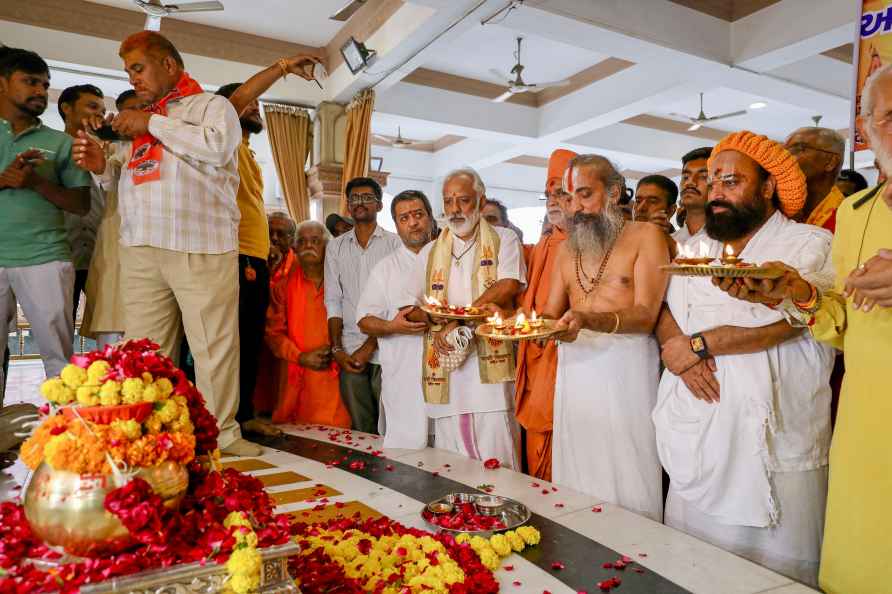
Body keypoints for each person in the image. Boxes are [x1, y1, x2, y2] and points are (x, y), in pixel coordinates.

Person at [720, 66, 892, 593]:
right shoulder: (859, 213)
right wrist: (797, 293)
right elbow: (841, 324)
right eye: (889, 117)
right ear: (867, 128)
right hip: (866, 428)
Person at [653, 131, 834, 587]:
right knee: (690, 569)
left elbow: (798, 322)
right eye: (714, 183)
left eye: (731, 182)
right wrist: (679, 350)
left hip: (775, 441)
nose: (716, 193)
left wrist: (703, 344)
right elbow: (663, 308)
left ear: (768, 187)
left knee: (774, 576)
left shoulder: (807, 244)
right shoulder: (696, 250)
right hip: (699, 428)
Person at [71, 32, 252, 456]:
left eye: (138, 67)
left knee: (213, 347)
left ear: (169, 65)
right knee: (146, 351)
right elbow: (128, 176)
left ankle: (221, 435)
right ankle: (154, 435)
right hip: (141, 247)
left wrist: (151, 123)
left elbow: (217, 146)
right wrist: (102, 168)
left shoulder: (211, 107)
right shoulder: (137, 120)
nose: (133, 79)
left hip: (199, 244)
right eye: (128, 72)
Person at [541, 155, 668, 521]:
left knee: (628, 464)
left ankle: (637, 551)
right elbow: (551, 313)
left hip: (625, 368)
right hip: (575, 367)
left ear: (613, 192)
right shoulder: (566, 249)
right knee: (580, 460)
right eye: (568, 197)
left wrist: (586, 320)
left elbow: (646, 315)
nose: (575, 207)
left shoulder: (646, 236)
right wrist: (522, 327)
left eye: (584, 194)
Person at [213, 56, 317, 437]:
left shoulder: (246, 151)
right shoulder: (223, 142)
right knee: (232, 341)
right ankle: (227, 422)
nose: (255, 110)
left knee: (248, 339)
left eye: (257, 106)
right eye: (250, 106)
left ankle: (242, 416)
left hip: (252, 259)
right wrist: (283, 67)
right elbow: (236, 101)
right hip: (235, 257)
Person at [402, 168, 524, 467]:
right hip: (447, 365)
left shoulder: (503, 239)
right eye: (448, 201)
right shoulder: (430, 251)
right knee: (453, 460)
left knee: (499, 453)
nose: (455, 209)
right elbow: (412, 305)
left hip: (490, 373)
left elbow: (508, 284)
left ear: (481, 202)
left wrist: (458, 320)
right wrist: (432, 320)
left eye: (464, 200)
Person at [0, 49, 91, 405]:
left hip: (46, 258)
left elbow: (80, 205)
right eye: (31, 82)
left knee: (59, 359)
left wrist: (35, 182)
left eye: (45, 85)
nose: (41, 90)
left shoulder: (62, 143)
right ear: (3, 84)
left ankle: (68, 439)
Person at [514, 148, 575, 481]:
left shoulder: (586, 244)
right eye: (549, 193)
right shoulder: (544, 245)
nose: (553, 200)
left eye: (561, 192)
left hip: (567, 360)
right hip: (536, 357)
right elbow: (531, 305)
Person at [357, 190, 435, 449]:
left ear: (430, 217)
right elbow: (364, 320)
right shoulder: (386, 268)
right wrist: (393, 326)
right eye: (404, 218)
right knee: (406, 462)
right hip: (404, 382)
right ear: (396, 226)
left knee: (451, 462)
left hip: (451, 379)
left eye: (418, 214)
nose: (413, 222)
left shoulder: (450, 258)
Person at [325, 177, 401, 433]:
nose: (360, 203)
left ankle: (390, 473)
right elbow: (333, 300)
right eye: (354, 198)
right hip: (349, 348)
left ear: (379, 205)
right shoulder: (335, 247)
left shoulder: (395, 244)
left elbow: (396, 305)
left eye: (367, 198)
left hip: (387, 347)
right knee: (360, 427)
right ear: (347, 205)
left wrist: (370, 347)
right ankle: (364, 473)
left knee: (389, 424)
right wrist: (337, 349)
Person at [265, 221, 351, 427]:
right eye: (302, 241)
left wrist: (338, 349)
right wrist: (301, 357)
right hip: (297, 378)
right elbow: (273, 334)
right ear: (294, 248)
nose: (308, 246)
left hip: (336, 379)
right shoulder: (282, 287)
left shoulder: (345, 284)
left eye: (315, 241)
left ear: (328, 247)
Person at [78, 90, 144, 349]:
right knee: (113, 349)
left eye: (143, 108)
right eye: (129, 110)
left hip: (160, 253)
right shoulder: (110, 146)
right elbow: (108, 177)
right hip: (117, 249)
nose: (136, 116)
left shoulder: (166, 142)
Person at [58, 84, 106, 328]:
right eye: (92, 106)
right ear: (67, 108)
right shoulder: (50, 149)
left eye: (103, 109)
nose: (99, 114)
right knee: (57, 329)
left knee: (111, 330)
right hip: (63, 254)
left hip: (102, 256)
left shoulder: (109, 153)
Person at [252, 212, 297, 418]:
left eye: (281, 234)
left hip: (286, 334)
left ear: (292, 238)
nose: (275, 238)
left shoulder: (299, 264)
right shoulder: (252, 260)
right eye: (270, 233)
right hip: (255, 331)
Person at [784, 127, 846, 232]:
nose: (785, 156)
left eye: (798, 149)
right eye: (784, 150)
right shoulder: (781, 214)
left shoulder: (847, 219)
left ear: (830, 162)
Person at [674, 147, 711, 244]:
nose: (690, 182)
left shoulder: (730, 242)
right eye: (685, 177)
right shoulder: (668, 241)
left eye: (703, 176)